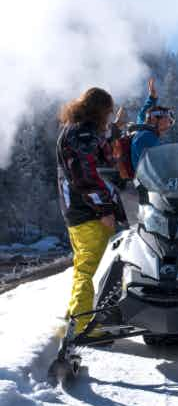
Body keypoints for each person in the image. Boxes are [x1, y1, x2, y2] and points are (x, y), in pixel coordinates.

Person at [56, 87, 127, 335]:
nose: (108, 118)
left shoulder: (80, 130)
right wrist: (105, 209)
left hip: (78, 209)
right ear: (98, 110)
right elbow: (86, 176)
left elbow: (100, 149)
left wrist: (115, 129)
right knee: (89, 270)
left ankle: (74, 317)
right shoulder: (82, 134)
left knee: (84, 267)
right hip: (87, 212)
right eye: (107, 113)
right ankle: (82, 326)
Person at [130, 77, 175, 171]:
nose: (169, 125)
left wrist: (152, 98)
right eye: (168, 120)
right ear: (154, 118)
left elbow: (142, 115)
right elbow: (157, 169)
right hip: (146, 184)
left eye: (171, 123)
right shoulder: (148, 137)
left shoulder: (142, 129)